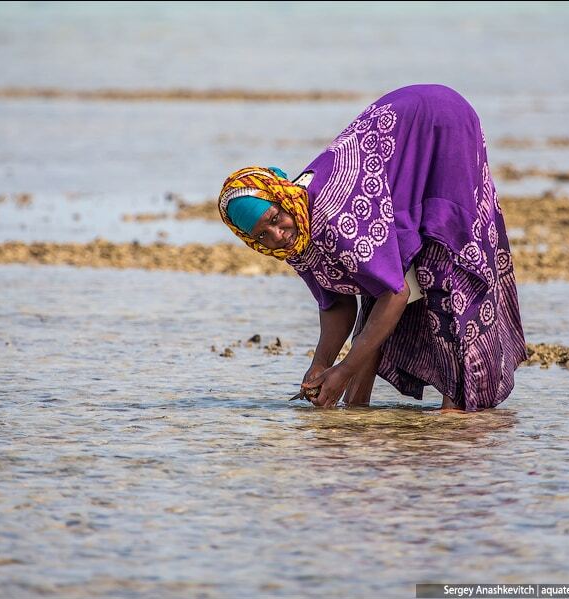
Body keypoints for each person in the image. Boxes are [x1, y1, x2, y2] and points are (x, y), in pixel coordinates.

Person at [217, 84, 527, 411]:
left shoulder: (332, 218)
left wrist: (345, 368)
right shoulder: (297, 235)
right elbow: (336, 302)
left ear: (282, 199)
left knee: (442, 270)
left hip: (440, 122)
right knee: (371, 283)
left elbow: (396, 293)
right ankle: (356, 412)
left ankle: (455, 414)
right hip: (401, 146)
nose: (277, 235)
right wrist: (322, 364)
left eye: (275, 219)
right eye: (262, 235)